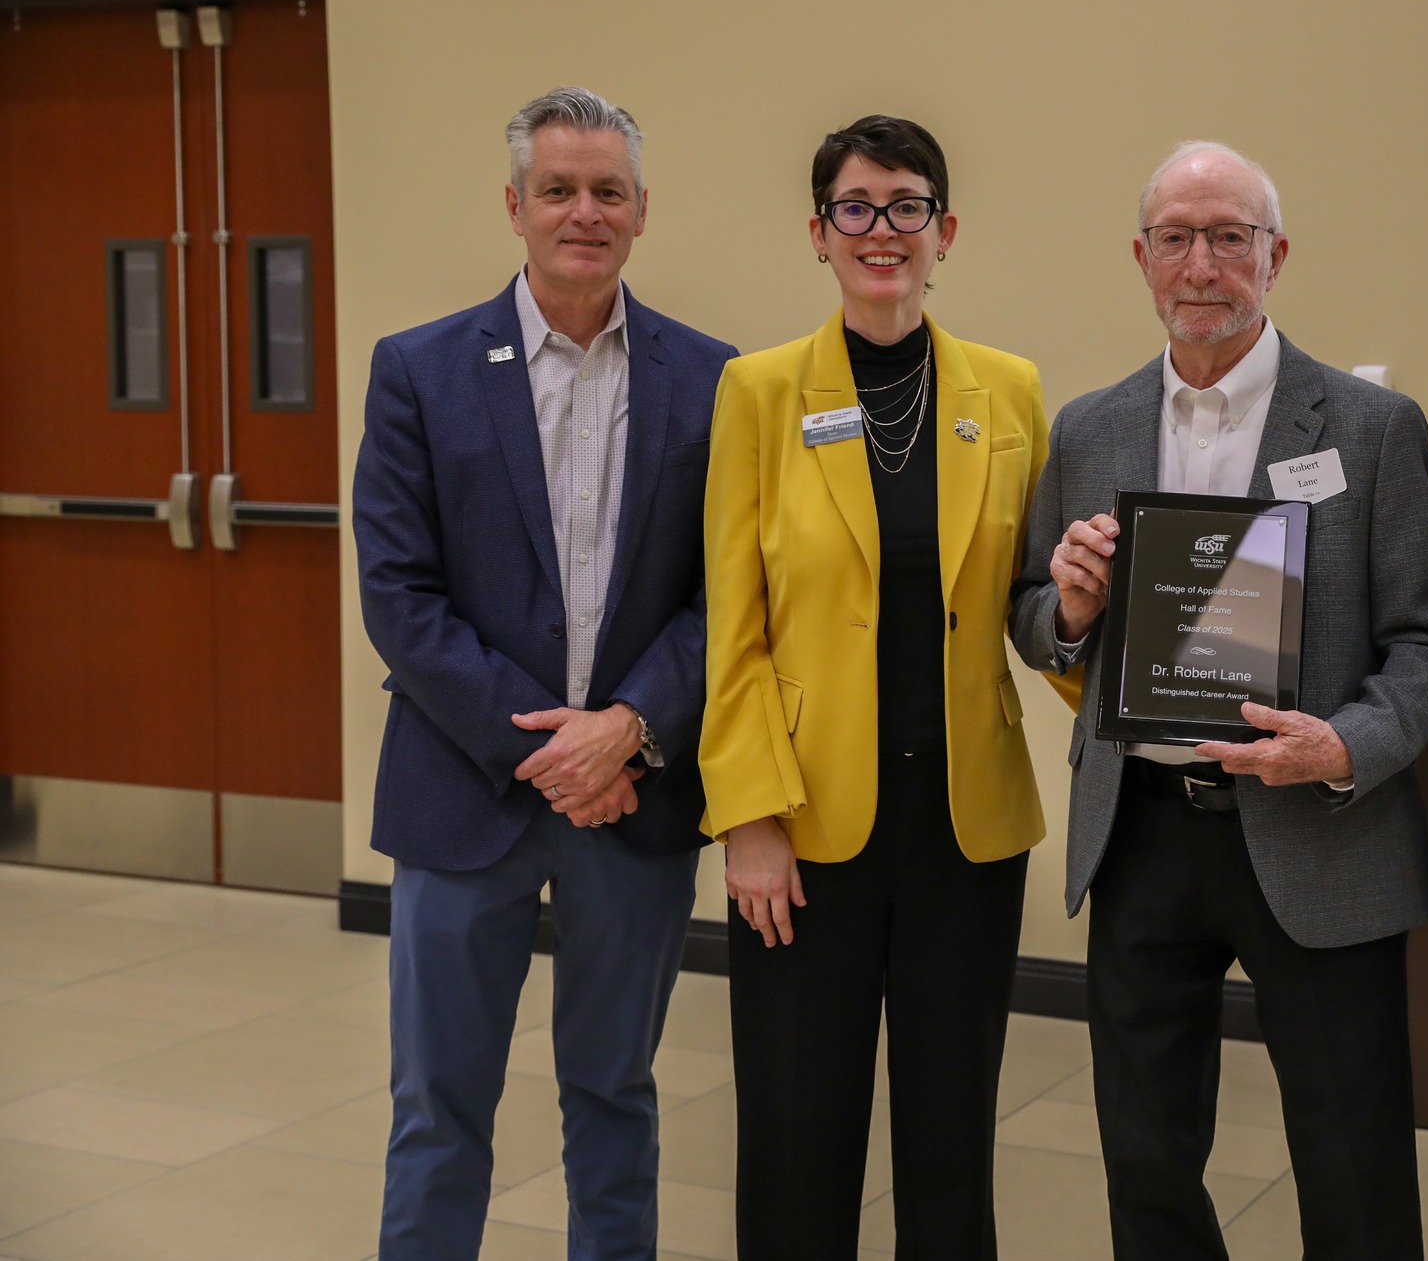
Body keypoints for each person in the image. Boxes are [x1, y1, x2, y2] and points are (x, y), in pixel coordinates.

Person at [1008, 141, 1428, 1260]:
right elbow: (1032, 614)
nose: (1200, 265)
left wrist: (1342, 746)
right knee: (1145, 1158)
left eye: (1228, 238)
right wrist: (1071, 608)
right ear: (1141, 257)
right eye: (1175, 238)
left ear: (1275, 255)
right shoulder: (1090, 427)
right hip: (1143, 833)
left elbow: (1427, 642)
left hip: (1317, 828)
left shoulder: (1369, 427)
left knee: (1351, 1157)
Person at [354, 86, 734, 1261]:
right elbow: (398, 594)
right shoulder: (419, 369)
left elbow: (727, 593)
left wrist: (625, 728)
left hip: (633, 799)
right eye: (558, 189)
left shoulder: (713, 379)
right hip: (462, 794)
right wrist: (552, 751)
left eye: (607, 191)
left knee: (614, 1097)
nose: (585, 212)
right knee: (437, 1107)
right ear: (514, 206)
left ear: (642, 210)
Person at [700, 114, 1051, 1259]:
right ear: (819, 234)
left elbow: (1037, 600)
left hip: (963, 828)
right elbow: (733, 628)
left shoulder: (1008, 392)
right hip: (803, 828)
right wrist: (747, 816)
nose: (881, 230)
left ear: (944, 231)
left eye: (907, 206)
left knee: (951, 1140)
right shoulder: (757, 392)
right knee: (797, 1136)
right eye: (855, 207)